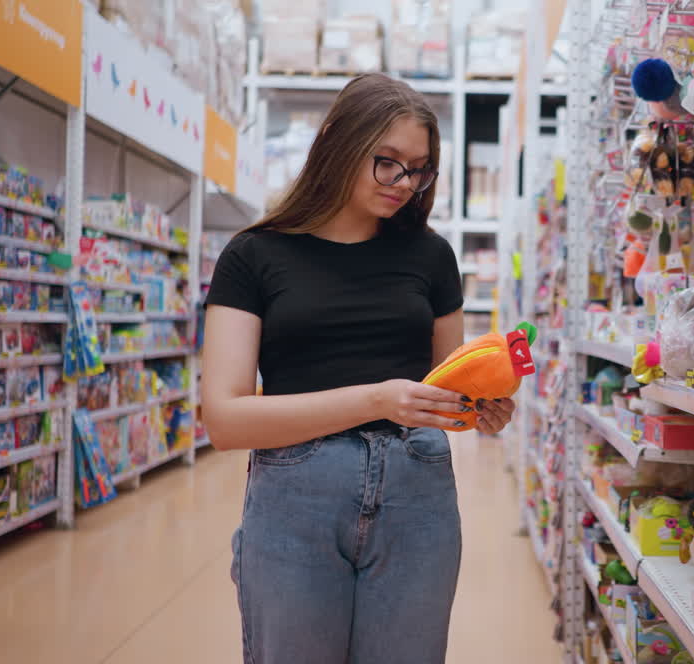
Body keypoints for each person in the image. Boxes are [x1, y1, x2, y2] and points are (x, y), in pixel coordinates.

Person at [201, 73, 516, 664]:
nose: (404, 183)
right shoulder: (253, 256)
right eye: (387, 162)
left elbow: (448, 388)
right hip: (295, 497)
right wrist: (375, 400)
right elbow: (224, 420)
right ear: (336, 142)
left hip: (418, 494)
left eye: (419, 169)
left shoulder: (432, 255)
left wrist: (482, 409)